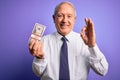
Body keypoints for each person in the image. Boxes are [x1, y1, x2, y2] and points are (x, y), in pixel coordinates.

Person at [29, 1, 108, 80]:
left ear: (74, 19)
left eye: (69, 16)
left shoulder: (85, 42)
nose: (64, 20)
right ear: (54, 18)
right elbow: (38, 73)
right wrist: (39, 58)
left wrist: (92, 46)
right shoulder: (43, 41)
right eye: (60, 15)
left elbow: (102, 70)